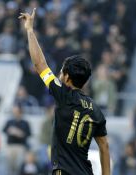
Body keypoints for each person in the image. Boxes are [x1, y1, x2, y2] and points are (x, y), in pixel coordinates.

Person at [19, 9, 110, 175]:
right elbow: (104, 146)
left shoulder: (63, 94)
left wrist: (30, 30)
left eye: (61, 72)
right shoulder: (96, 110)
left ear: (67, 77)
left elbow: (40, 64)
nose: (59, 75)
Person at [3, 104, 31, 175]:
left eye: (16, 111)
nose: (15, 113)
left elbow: (29, 134)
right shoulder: (10, 121)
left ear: (20, 112)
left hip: (20, 146)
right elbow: (4, 130)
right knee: (10, 165)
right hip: (10, 146)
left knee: (19, 165)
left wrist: (20, 133)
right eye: (14, 111)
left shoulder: (25, 122)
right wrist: (10, 130)